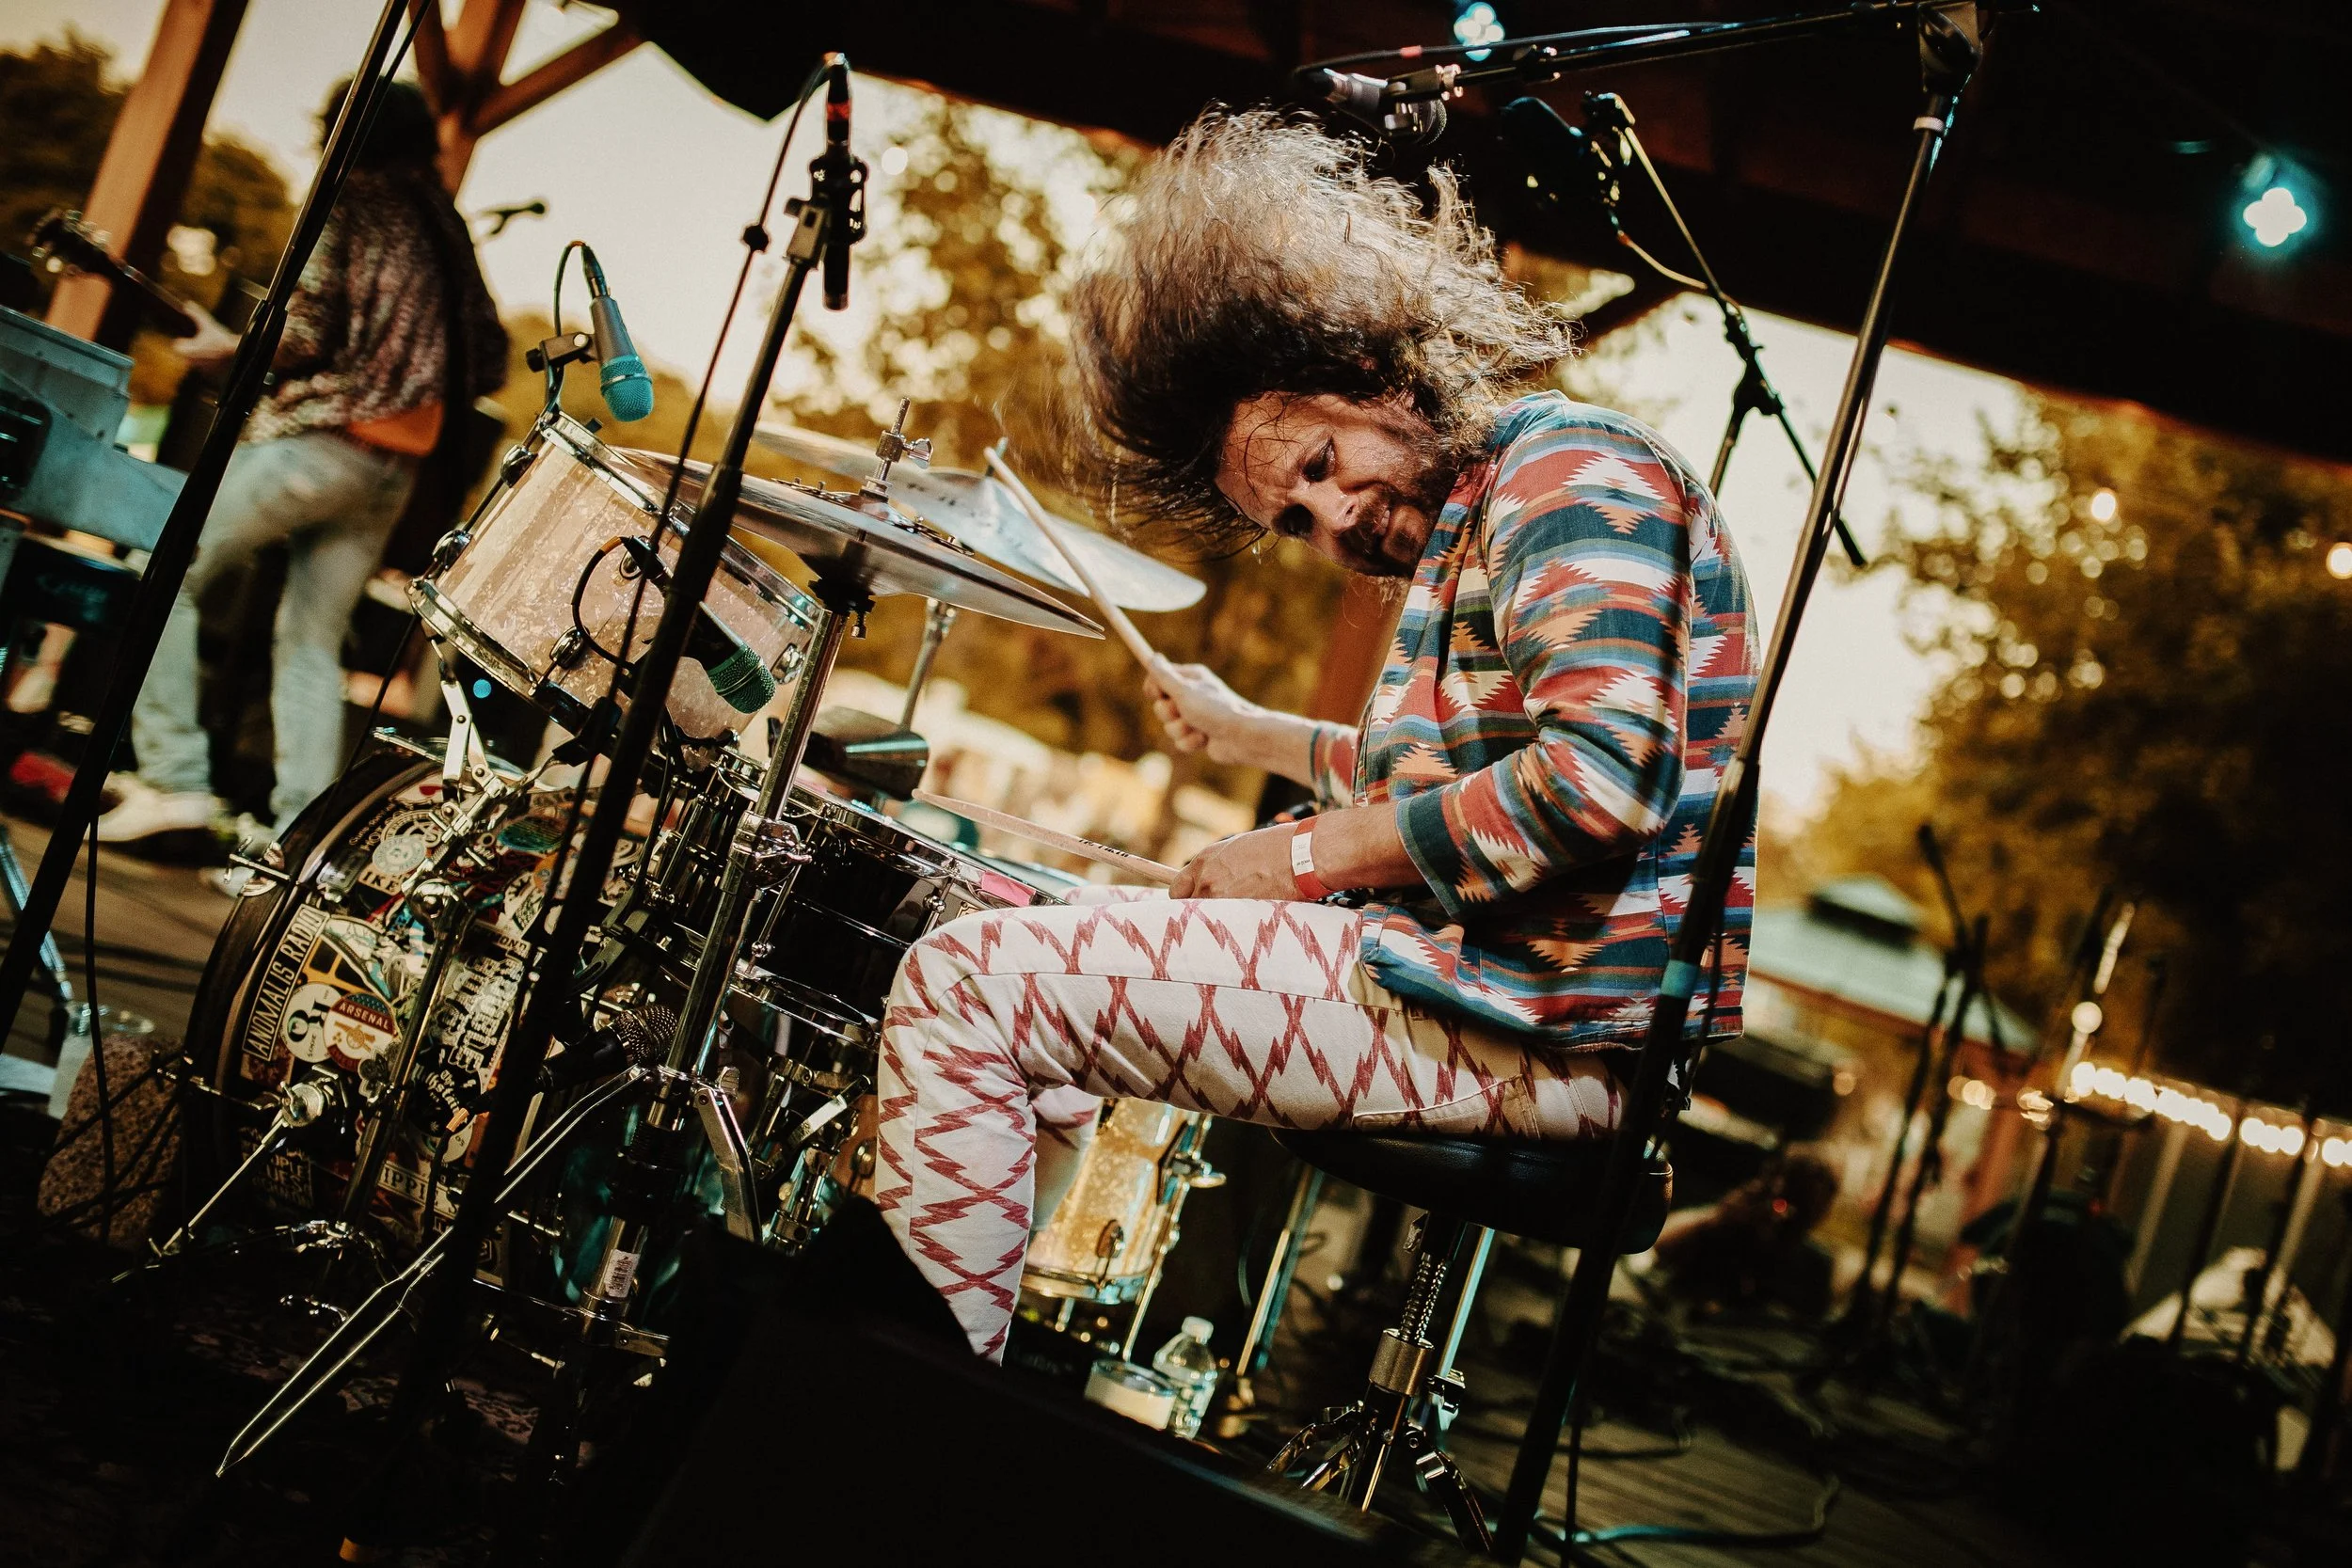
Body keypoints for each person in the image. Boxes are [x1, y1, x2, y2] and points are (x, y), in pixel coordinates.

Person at [873, 110, 1760, 1359]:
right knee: (1012, 956)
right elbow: (1456, 782)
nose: (1336, 516)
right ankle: (952, 1366)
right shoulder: (1486, 505)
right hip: (1481, 996)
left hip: (1535, 1029)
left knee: (967, 980)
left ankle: (893, 1414)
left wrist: (1291, 861)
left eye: (1325, 462)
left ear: (1382, 373)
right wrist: (1249, 732)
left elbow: (1601, 778)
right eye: (1296, 517)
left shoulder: (1565, 474)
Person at [98, 80, 506, 848]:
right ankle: (301, 846)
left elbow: (307, 330)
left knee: (162, 567)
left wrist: (232, 353)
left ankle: (175, 780)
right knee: (312, 641)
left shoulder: (349, 199)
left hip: (323, 443)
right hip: (395, 471)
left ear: (347, 132)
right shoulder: (447, 227)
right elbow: (490, 359)